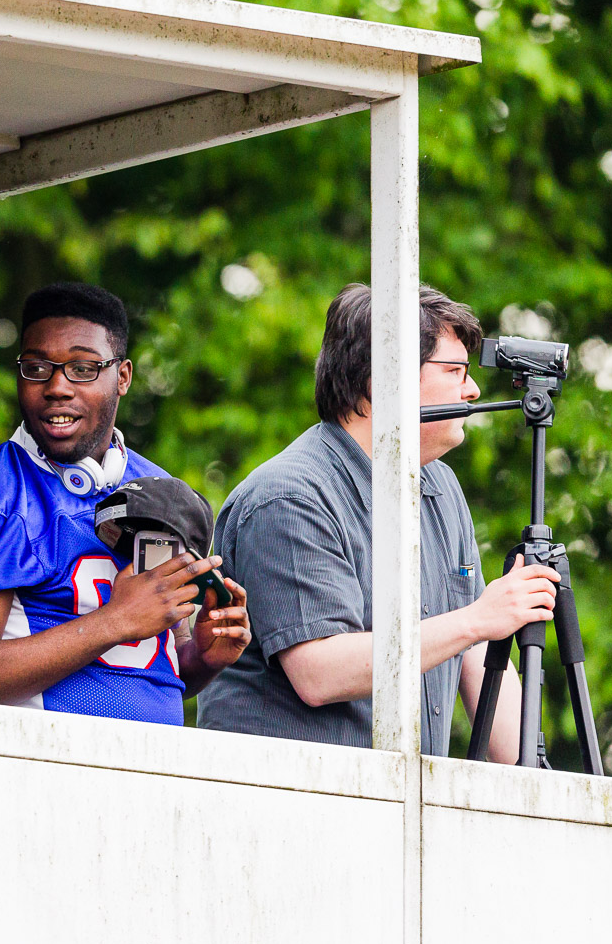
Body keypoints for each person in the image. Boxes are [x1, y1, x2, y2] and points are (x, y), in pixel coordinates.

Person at [196, 284, 559, 760]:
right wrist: (479, 619)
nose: (471, 390)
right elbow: (319, 671)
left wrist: (536, 780)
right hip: (296, 805)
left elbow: (474, 653)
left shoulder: (441, 487)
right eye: (454, 371)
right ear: (382, 381)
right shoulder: (289, 495)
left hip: (401, 810)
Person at [0, 282, 251, 725]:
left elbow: (146, 667)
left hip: (153, 777)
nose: (57, 386)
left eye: (82, 367)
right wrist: (114, 621)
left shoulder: (158, 487)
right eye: (37, 367)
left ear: (124, 376)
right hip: (39, 777)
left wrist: (201, 656)